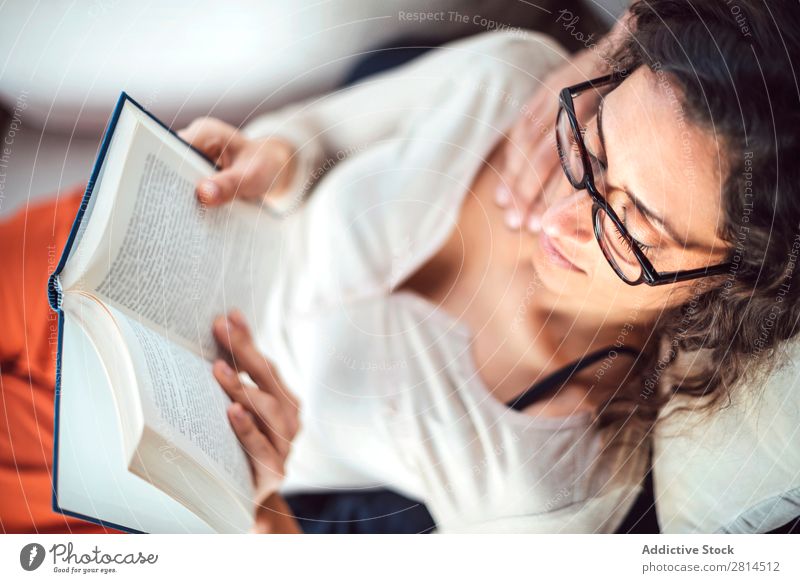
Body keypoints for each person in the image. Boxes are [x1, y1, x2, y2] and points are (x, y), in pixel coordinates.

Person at [177, 0, 800, 533]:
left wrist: (257, 506)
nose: (559, 215)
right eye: (598, 146)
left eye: (634, 226)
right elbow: (315, 136)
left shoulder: (553, 477)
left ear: (732, 281)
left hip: (184, 459)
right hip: (174, 252)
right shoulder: (514, 82)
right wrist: (270, 156)